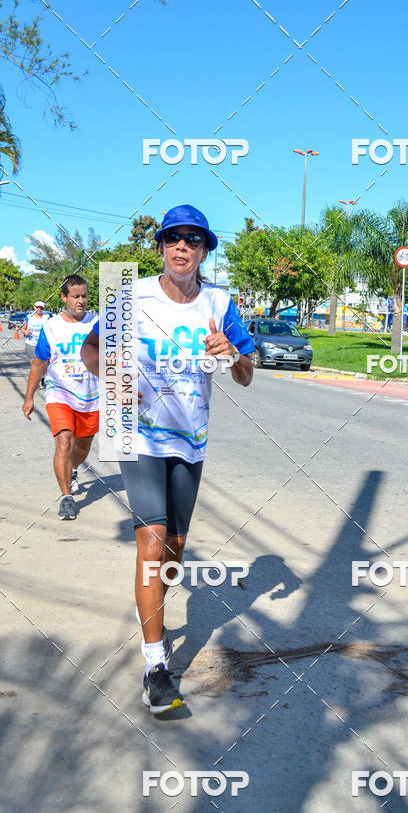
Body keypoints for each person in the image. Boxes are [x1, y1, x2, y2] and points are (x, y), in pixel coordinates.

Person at [80, 203, 255, 715]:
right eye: (173, 239)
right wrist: (110, 376)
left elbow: (245, 374)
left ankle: (154, 611)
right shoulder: (130, 296)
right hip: (137, 436)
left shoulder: (220, 303)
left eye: (193, 240)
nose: (182, 247)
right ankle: (156, 665)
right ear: (161, 247)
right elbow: (92, 350)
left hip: (190, 439)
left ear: (205, 251)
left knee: (174, 553)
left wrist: (232, 355)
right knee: (152, 545)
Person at [22, 276, 99, 521]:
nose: (81, 301)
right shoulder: (51, 326)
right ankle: (66, 498)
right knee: (64, 442)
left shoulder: (98, 323)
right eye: (75, 296)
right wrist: (29, 397)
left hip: (91, 396)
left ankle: (73, 469)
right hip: (59, 392)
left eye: (84, 296)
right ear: (64, 297)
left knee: (82, 446)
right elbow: (39, 363)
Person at [20, 300, 51, 386]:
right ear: (34, 307)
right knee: (34, 364)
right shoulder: (29, 317)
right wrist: (25, 332)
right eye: (37, 307)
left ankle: (42, 378)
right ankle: (36, 381)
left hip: (43, 344)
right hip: (31, 343)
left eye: (41, 308)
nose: (39, 309)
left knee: (43, 363)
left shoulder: (47, 317)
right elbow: (22, 329)